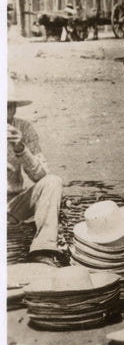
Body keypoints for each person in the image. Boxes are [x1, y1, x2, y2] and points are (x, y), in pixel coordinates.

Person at [7, 81, 64, 267]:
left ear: (15, 109)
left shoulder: (24, 129)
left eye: (9, 106)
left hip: (13, 204)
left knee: (53, 182)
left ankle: (42, 249)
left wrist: (21, 149)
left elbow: (41, 175)